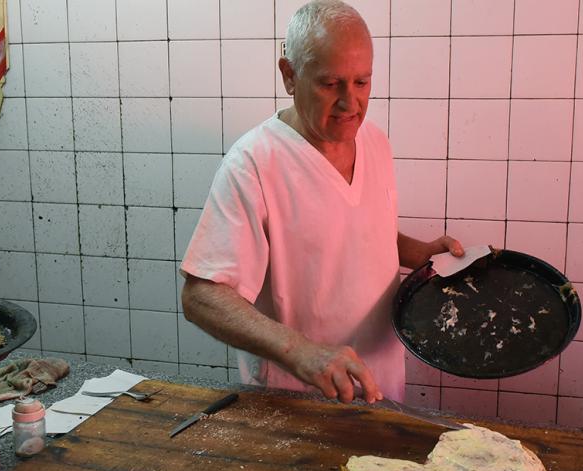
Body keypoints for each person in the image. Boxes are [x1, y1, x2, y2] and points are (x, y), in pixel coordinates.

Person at [179, 0, 463, 405]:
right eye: (331, 85)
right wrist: (302, 353)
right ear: (290, 75)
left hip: (381, 385)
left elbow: (349, 226)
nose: (351, 104)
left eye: (362, 83)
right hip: (297, 399)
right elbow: (202, 295)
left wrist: (415, 252)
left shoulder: (375, 142)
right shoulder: (255, 164)